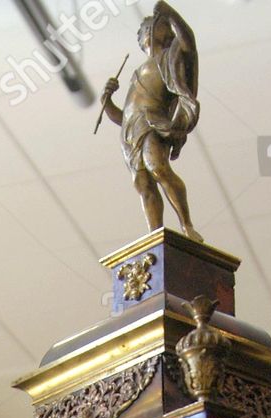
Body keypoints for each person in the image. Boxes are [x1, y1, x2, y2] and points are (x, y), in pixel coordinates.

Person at [101, 1, 202, 241]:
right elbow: (124, 115)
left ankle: (186, 224)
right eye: (146, 29)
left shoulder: (171, 55)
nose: (149, 31)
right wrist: (107, 103)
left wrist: (171, 14)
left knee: (158, 167)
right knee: (143, 182)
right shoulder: (137, 73)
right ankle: (155, 235)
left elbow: (190, 41)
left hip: (153, 121)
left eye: (153, 26)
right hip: (132, 129)